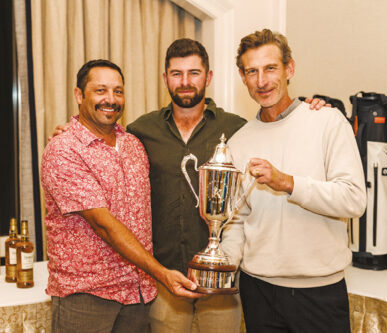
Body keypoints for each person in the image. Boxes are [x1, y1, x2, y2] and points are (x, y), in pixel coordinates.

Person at [49, 40, 327, 333]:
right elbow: (98, 140)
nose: (184, 82)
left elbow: (278, 128)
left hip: (222, 282)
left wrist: (307, 108)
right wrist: (72, 129)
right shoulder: (141, 132)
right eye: (176, 73)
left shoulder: (239, 129)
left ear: (208, 77)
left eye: (194, 73)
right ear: (165, 79)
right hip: (162, 280)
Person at [220, 29, 367, 333]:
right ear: (243, 77)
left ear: (290, 69)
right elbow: (237, 221)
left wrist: (288, 183)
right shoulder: (238, 142)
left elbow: (354, 200)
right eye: (252, 71)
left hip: (320, 294)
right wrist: (223, 261)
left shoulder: (327, 121)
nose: (262, 81)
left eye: (271, 68)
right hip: (257, 290)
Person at [40, 59, 201, 333]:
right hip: (87, 295)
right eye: (100, 90)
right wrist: (161, 273)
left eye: (118, 91)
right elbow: (103, 224)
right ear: (79, 95)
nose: (110, 99)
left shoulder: (134, 145)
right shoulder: (64, 149)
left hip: (137, 294)